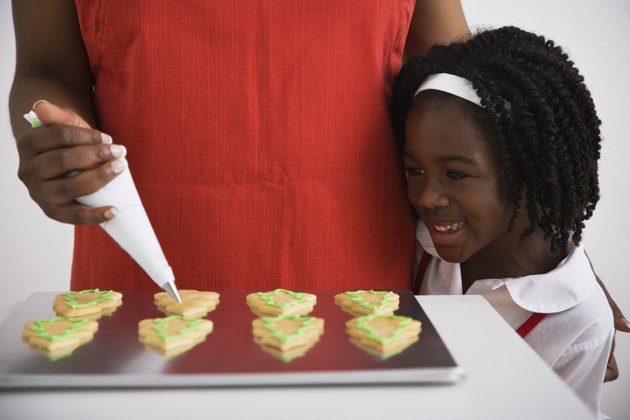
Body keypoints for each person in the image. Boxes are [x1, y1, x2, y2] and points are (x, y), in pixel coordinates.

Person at [9, 0, 469, 292]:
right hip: (141, 271)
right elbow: (47, 68)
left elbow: (455, 70)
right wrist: (50, 138)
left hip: (361, 278)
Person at [389, 26, 615, 417]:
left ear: (528, 172)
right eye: (414, 171)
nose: (427, 197)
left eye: (456, 174)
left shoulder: (578, 319)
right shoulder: (416, 244)